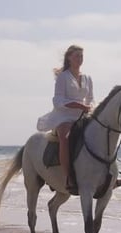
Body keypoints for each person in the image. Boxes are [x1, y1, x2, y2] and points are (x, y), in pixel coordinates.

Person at [37, 45, 93, 190]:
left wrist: (89, 107)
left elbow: (91, 98)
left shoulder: (87, 78)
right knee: (65, 137)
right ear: (69, 58)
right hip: (64, 116)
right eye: (76, 56)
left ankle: (107, 175)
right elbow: (57, 101)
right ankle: (68, 177)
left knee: (102, 134)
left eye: (81, 56)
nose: (80, 59)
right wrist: (77, 105)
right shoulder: (63, 77)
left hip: (83, 115)